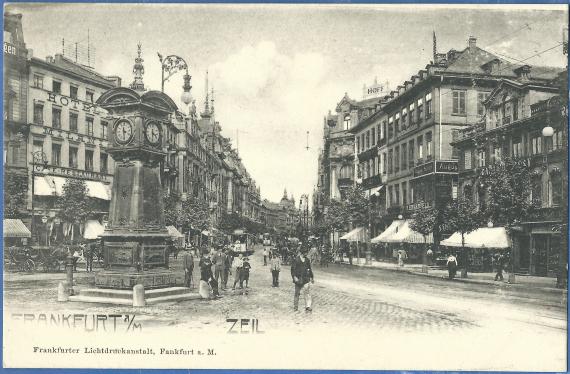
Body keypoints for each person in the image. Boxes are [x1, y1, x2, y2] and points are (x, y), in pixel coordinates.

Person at [291, 247, 315, 312]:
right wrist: (294, 277)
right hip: (298, 279)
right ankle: (295, 307)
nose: (306, 254)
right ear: (302, 253)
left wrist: (312, 277)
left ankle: (308, 306)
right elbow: (292, 270)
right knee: (297, 294)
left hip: (306, 279)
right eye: (305, 253)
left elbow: (309, 269)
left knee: (307, 293)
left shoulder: (307, 260)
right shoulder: (296, 260)